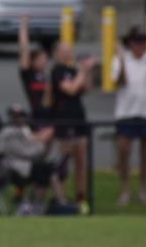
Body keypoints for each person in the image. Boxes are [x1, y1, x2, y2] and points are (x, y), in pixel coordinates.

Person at [112, 26, 146, 206]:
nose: (140, 46)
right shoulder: (121, 59)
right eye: (136, 42)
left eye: (143, 42)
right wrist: (122, 62)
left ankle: (143, 190)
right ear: (130, 44)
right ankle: (125, 189)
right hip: (127, 111)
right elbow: (120, 82)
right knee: (124, 150)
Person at [50, 42, 96, 214]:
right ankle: (61, 199)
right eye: (63, 51)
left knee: (81, 162)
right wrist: (82, 71)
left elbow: (86, 88)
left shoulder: (73, 70)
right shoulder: (57, 72)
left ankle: (81, 198)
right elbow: (70, 89)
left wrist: (87, 71)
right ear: (56, 53)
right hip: (64, 120)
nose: (67, 54)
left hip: (79, 119)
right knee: (63, 162)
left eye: (69, 51)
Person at [17, 15, 50, 126]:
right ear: (33, 61)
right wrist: (23, 26)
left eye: (45, 58)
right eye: (40, 59)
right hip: (37, 117)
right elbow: (24, 48)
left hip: (51, 116)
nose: (44, 61)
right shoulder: (28, 73)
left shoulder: (46, 75)